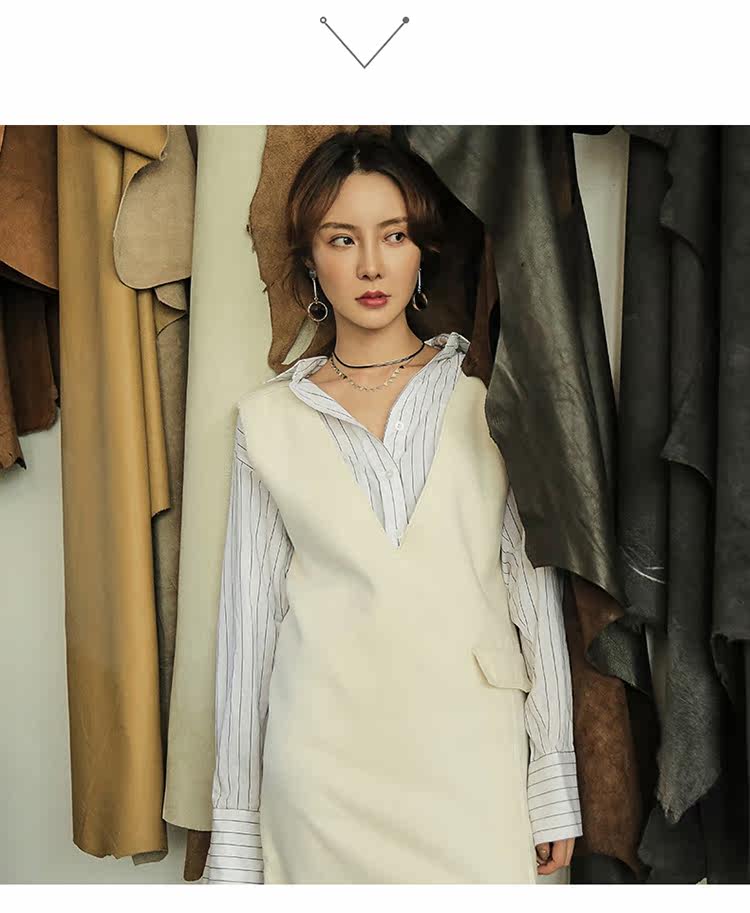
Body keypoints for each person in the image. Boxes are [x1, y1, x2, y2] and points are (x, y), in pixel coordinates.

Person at [205, 129, 582, 884]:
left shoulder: (486, 397)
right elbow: (247, 635)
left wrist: (552, 778)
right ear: (311, 258)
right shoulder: (268, 422)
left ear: (421, 251)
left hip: (471, 763)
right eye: (342, 239)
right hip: (321, 782)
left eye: (394, 235)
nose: (371, 265)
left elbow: (531, 591)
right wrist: (236, 834)